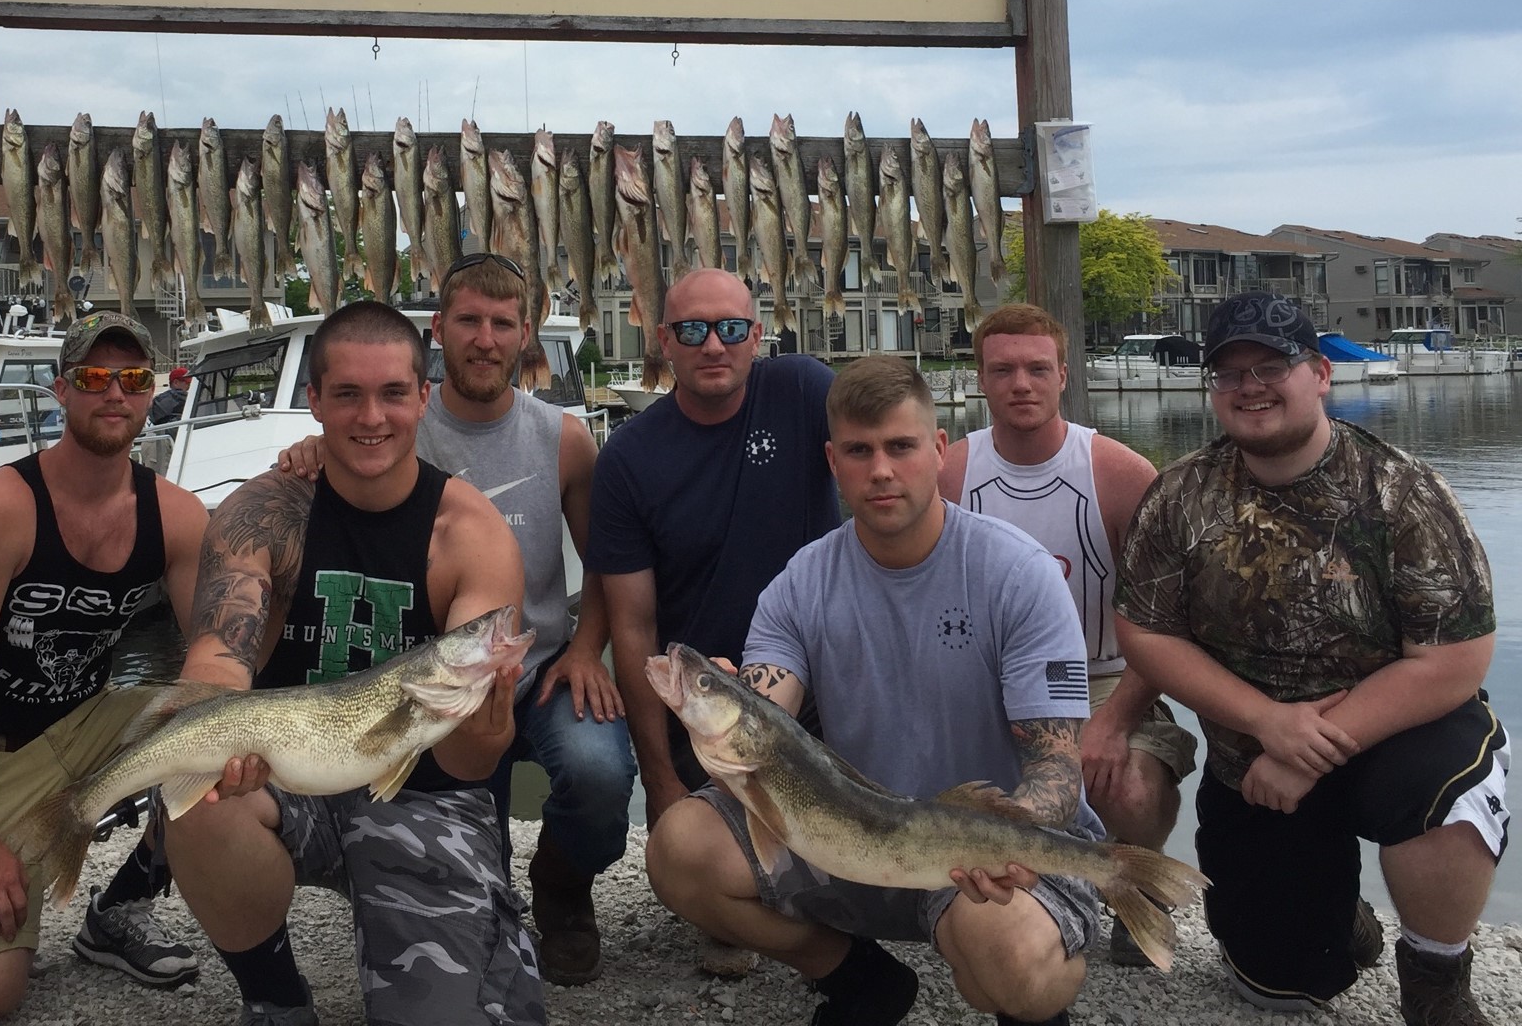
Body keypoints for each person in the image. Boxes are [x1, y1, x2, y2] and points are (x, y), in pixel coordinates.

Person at [646, 356, 1103, 1026]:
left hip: (973, 855)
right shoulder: (801, 582)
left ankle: (1022, 996)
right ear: (833, 462)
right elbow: (771, 711)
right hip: (850, 841)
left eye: (901, 447)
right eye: (859, 451)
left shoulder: (1019, 574)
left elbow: (1058, 764)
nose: (881, 470)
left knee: (1012, 968)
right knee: (678, 849)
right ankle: (859, 978)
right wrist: (726, 696)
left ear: (939, 450)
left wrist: (1011, 839)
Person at [1114, 292, 1509, 1025]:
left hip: (1395, 736)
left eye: (1272, 366)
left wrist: (1306, 748)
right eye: (1229, 374)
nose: (1251, 387)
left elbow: (1457, 658)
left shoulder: (1402, 491)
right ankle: (1341, 915)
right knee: (1279, 986)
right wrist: (1269, 723)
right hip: (1254, 762)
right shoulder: (1179, 497)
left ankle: (1436, 976)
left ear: (1321, 374)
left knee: (1444, 793)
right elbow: (1147, 632)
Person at [162, 301, 543, 1026]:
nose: (372, 417)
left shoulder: (469, 533)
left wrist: (488, 723)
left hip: (425, 793)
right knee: (199, 801)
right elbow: (217, 654)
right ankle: (274, 998)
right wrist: (214, 734)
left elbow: (469, 765)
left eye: (394, 393)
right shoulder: (261, 512)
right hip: (287, 780)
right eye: (347, 395)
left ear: (423, 396)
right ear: (315, 401)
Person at [274, 254, 636, 986]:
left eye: (502, 323)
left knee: (601, 777)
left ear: (525, 334)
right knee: (470, 851)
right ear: (438, 329)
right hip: (432, 677)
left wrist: (586, 649)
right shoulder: (400, 419)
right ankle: (471, 894)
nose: (484, 338)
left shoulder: (563, 438)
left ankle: (564, 887)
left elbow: (605, 562)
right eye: (468, 320)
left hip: (533, 666)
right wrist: (318, 448)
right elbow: (355, 447)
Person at [0, 311, 210, 1025]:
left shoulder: (177, 517)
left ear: (152, 392)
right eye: (94, 378)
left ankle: (119, 910)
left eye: (133, 379)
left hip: (87, 726)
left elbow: (220, 650)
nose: (114, 393)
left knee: (215, 724)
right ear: (62, 390)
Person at [938, 303, 1197, 966]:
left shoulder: (1120, 475)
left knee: (1130, 784)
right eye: (1003, 370)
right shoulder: (949, 475)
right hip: (987, 680)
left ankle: (1141, 883)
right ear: (981, 379)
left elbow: (1170, 622)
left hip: (1106, 674)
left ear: (1063, 376)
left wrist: (1113, 719)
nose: (1020, 383)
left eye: (1035, 369)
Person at [587, 267, 839, 828]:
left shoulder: (804, 390)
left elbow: (892, 456)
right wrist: (659, 782)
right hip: (709, 705)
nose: (715, 345)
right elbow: (633, 627)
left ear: (756, 335)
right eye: (694, 330)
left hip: (831, 688)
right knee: (690, 860)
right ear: (665, 342)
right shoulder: (628, 459)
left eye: (730, 327)